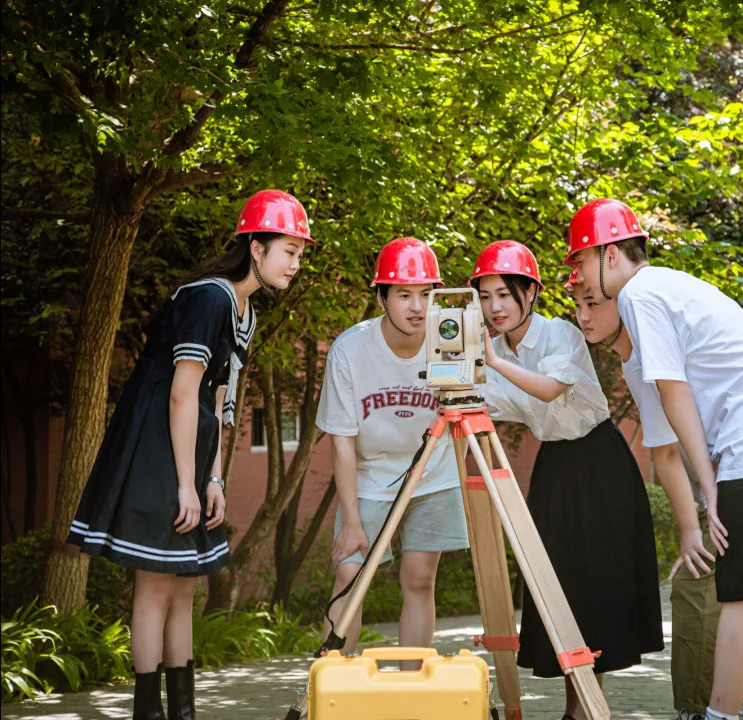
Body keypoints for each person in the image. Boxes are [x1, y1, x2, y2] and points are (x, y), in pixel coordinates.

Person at [565, 198, 743, 720]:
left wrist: (710, 489)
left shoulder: (640, 293)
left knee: (740, 593)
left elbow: (673, 390)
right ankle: (742, 711)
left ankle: (722, 714)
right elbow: (667, 423)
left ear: (610, 254)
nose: (582, 287)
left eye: (581, 262)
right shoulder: (663, 286)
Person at [67, 190, 313, 719]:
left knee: (183, 589)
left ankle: (182, 711)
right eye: (288, 250)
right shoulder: (209, 297)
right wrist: (184, 482)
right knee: (155, 587)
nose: (295, 262)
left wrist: (214, 480)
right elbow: (182, 393)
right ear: (255, 247)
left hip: (190, 449)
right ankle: (148, 713)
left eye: (299, 253)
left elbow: (220, 400)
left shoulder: (242, 310)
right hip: (157, 444)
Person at [470, 240, 664, 720]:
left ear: (529, 293)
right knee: (555, 585)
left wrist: (492, 363)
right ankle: (573, 708)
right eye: (485, 296)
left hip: (599, 462)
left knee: (593, 587)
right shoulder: (488, 350)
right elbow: (484, 406)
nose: (495, 307)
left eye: (505, 294)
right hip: (554, 467)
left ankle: (585, 709)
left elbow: (552, 387)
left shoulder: (561, 333)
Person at [568, 266, 721, 720]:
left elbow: (676, 445)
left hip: (741, 466)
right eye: (578, 306)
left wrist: (704, 508)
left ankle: (712, 711)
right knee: (713, 590)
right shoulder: (633, 362)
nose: (583, 316)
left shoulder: (657, 340)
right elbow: (665, 452)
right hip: (720, 482)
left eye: (594, 303)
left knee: (714, 593)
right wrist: (689, 526)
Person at [315, 237, 469, 666]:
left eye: (426, 294)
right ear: (382, 297)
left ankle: (411, 688)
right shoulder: (351, 350)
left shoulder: (450, 340)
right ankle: (335, 686)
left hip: (433, 471)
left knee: (419, 579)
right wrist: (349, 521)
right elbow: (341, 441)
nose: (417, 307)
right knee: (349, 573)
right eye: (404, 294)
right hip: (370, 473)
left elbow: (468, 413)